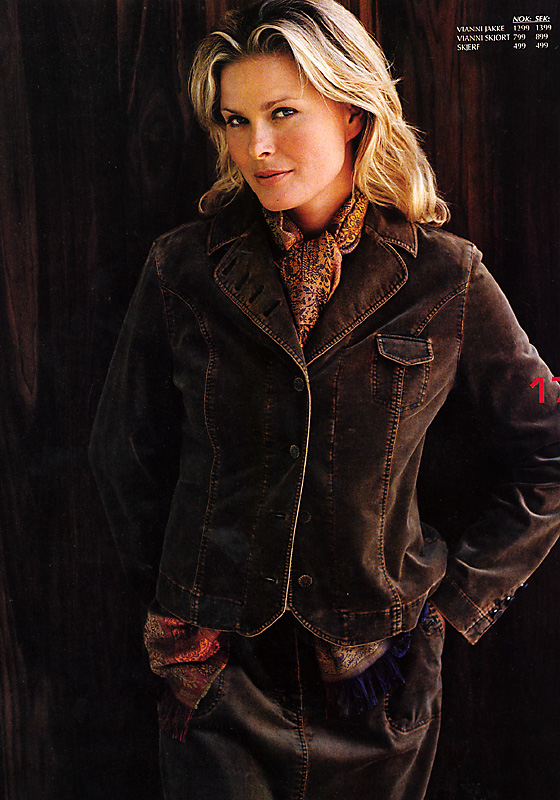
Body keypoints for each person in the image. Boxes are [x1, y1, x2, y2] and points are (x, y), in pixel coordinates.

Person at [89, 1, 560, 798]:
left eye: (282, 113)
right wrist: (176, 609)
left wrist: (450, 608)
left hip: (378, 680)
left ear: (351, 112)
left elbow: (549, 450)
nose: (256, 147)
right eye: (236, 120)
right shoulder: (181, 270)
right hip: (217, 675)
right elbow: (121, 456)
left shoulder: (447, 277)